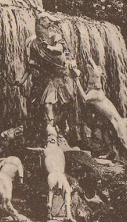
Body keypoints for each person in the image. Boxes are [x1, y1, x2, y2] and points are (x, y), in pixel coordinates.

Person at [15, 12, 80, 146]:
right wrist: (21, 80)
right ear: (39, 22)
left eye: (48, 21)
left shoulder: (54, 36)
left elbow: (60, 49)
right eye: (45, 20)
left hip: (59, 77)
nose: (48, 23)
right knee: (42, 106)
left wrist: (48, 47)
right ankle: (43, 136)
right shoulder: (33, 43)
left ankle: (57, 133)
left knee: (56, 105)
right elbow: (31, 64)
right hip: (42, 79)